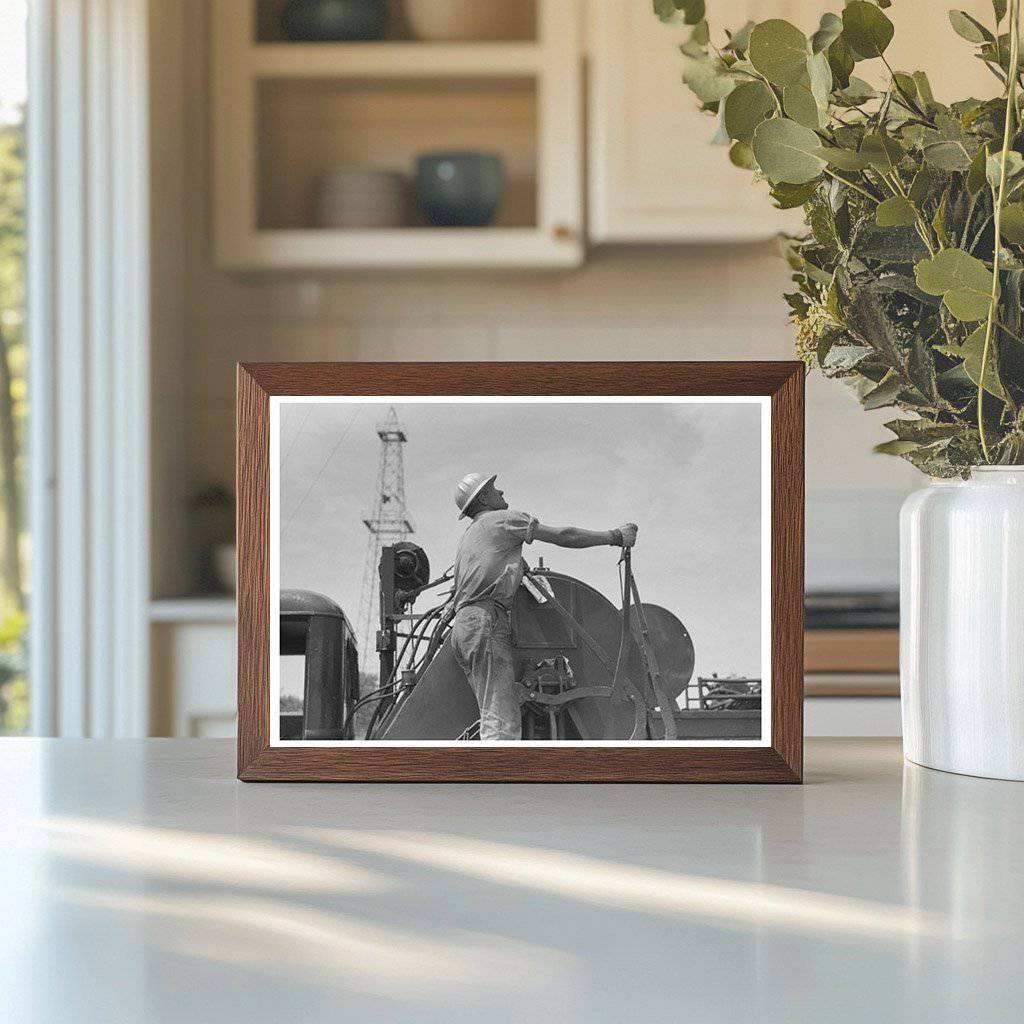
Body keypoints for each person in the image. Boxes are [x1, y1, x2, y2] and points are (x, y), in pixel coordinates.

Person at [449, 472, 637, 741]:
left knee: (494, 714)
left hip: (465, 628)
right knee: (501, 725)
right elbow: (566, 536)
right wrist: (615, 536)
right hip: (486, 623)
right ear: (483, 499)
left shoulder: (472, 535)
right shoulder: (503, 520)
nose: (501, 492)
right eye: (493, 489)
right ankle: (499, 780)